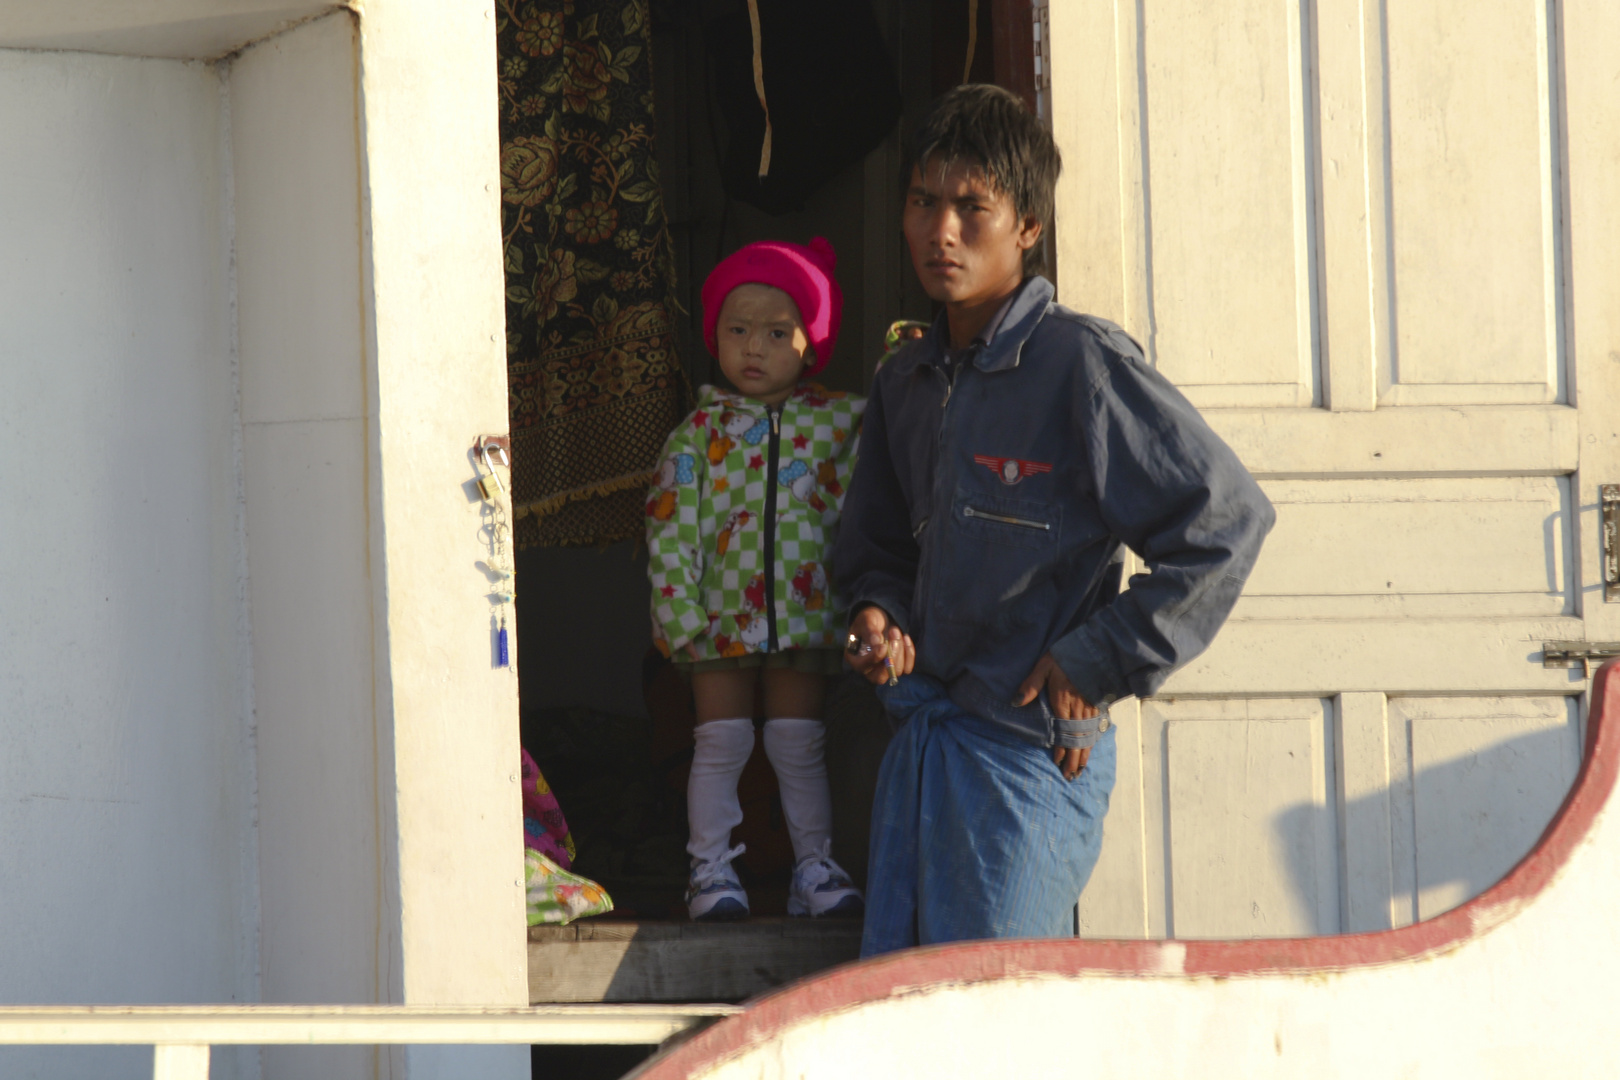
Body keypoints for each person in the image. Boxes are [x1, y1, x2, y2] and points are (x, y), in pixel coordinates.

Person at [835, 85, 1275, 955]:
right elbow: (877, 546)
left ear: (1028, 226)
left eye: (973, 208)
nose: (942, 232)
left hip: (1026, 766)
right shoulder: (907, 380)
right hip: (923, 751)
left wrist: (1097, 658)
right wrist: (876, 615)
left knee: (1000, 1028)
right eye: (924, 203)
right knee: (910, 1032)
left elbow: (1226, 524)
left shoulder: (1081, 364)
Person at [647, 237, 866, 921]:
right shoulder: (696, 435)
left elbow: (868, 508)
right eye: (737, 330)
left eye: (777, 332)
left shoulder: (842, 424)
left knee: (799, 744)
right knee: (721, 741)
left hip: (806, 613)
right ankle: (710, 872)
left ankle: (814, 869)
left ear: (812, 342)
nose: (754, 347)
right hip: (717, 620)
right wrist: (678, 613)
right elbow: (669, 526)